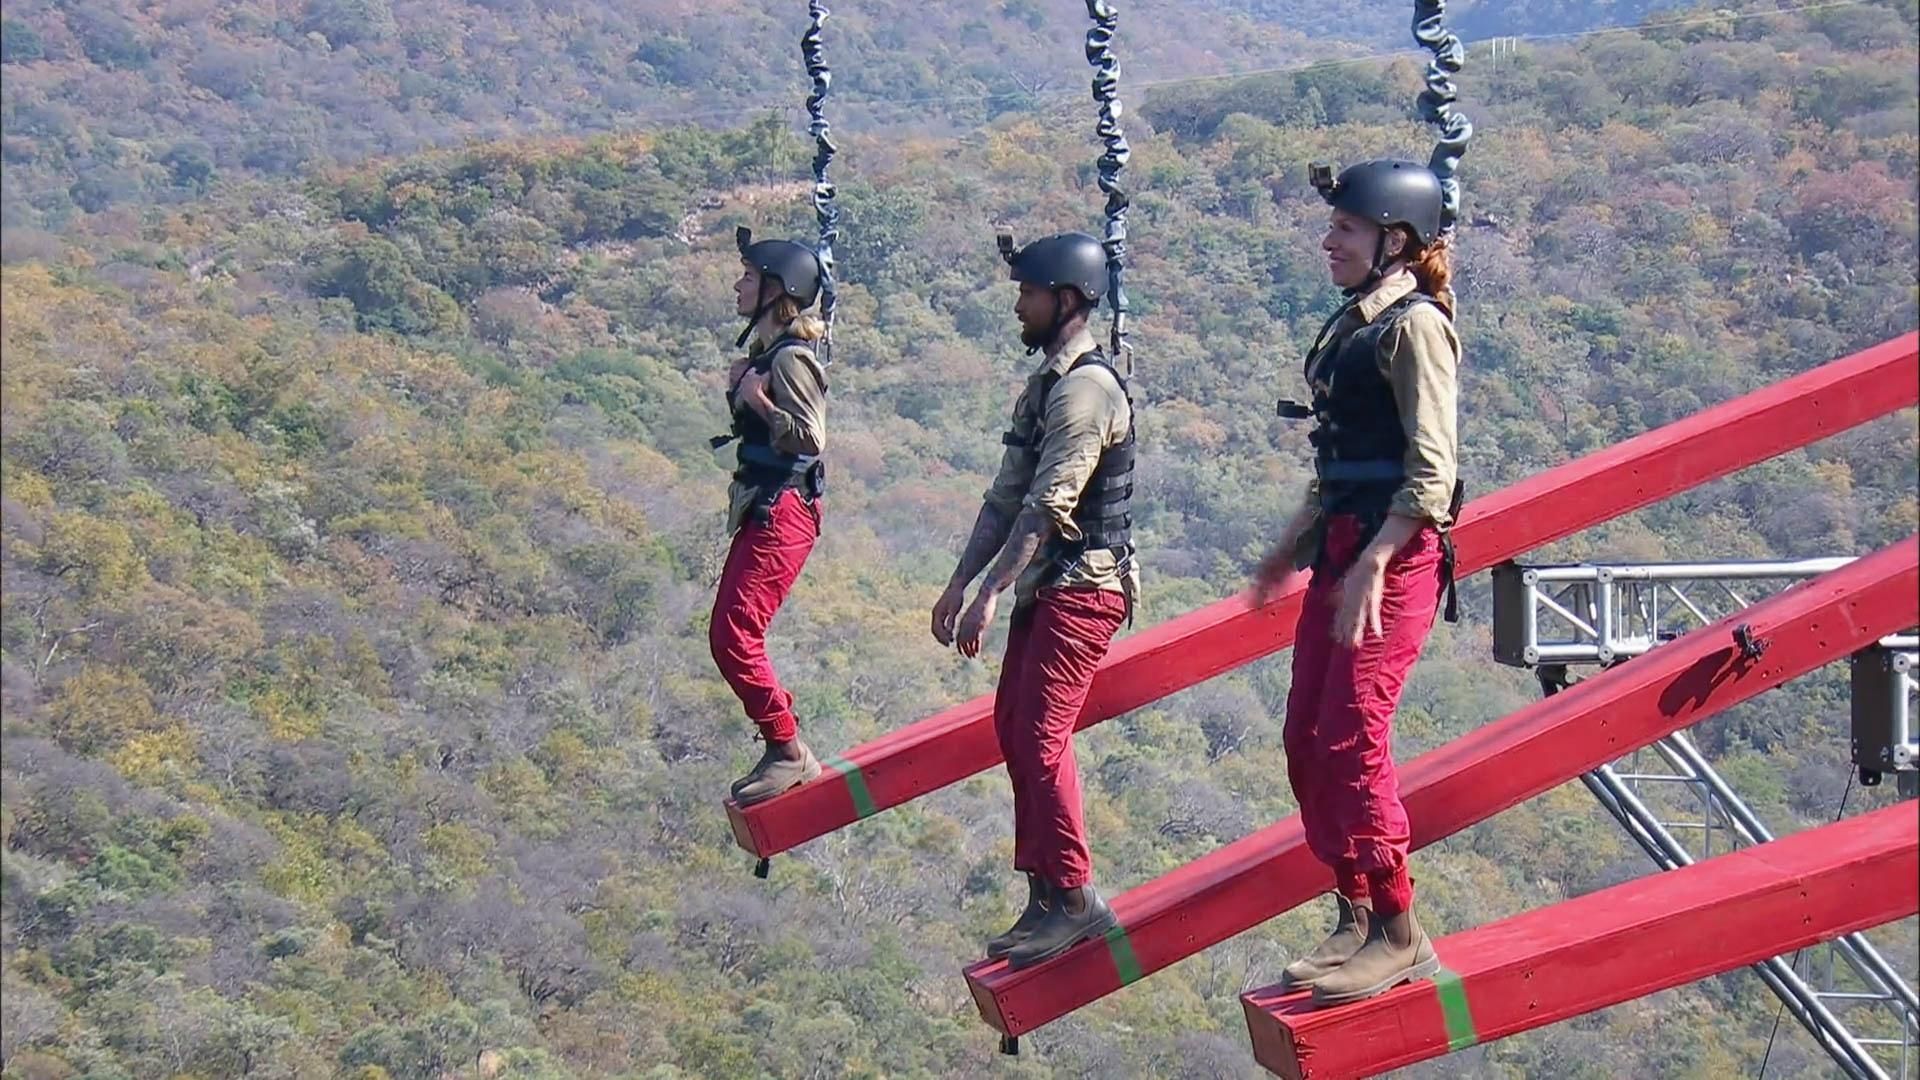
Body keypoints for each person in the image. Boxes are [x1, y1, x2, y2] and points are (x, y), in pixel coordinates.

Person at [1252, 159, 1463, 1006]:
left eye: (1345, 227)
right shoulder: (1358, 321)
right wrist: (1291, 545)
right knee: (1306, 736)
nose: (1329, 239)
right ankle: (1356, 907)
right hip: (1345, 546)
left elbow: (1432, 469)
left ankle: (1399, 931)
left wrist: (1377, 556)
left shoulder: (1415, 326)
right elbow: (1342, 459)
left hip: (1391, 558)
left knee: (1351, 738)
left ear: (1395, 239)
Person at [932, 232, 1139, 968]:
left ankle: (1076, 898)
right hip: (1051, 583)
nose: (1019, 305)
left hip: (1083, 587)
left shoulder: (1085, 391)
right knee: (1014, 728)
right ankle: (1046, 891)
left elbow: (1048, 507)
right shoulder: (1048, 383)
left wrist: (988, 593)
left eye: (1029, 293)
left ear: (1068, 299)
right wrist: (961, 583)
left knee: (1041, 737)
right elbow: (1004, 496)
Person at [715, 228, 831, 806]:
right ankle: (782, 744)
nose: (738, 284)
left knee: (734, 634)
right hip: (766, 505)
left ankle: (787, 750)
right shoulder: (767, 353)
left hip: (784, 508)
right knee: (730, 632)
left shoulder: (790, 359)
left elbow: (811, 436)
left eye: (749, 277)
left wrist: (757, 399)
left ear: (775, 290)